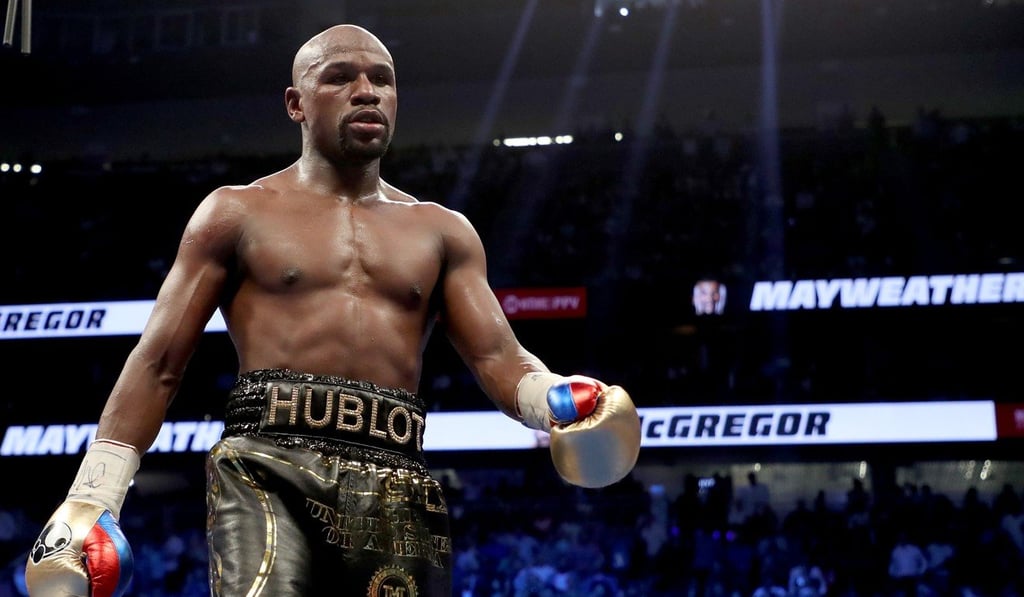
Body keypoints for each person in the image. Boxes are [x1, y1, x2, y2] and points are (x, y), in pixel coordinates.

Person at [24, 24, 640, 597]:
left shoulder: (442, 231)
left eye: (382, 79)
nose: (367, 91)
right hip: (267, 466)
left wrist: (553, 398)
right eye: (340, 76)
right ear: (296, 103)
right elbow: (158, 362)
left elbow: (497, 356)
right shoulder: (236, 212)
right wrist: (92, 495)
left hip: (397, 477)